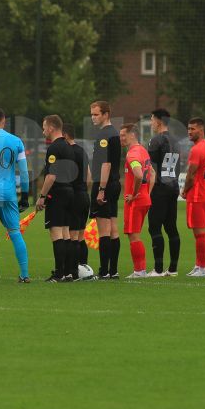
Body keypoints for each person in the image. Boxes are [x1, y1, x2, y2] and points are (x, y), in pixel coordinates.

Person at [0, 107, 32, 283]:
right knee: (15, 232)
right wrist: (25, 195)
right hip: (9, 192)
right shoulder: (16, 141)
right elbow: (24, 172)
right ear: (4, 121)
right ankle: (24, 275)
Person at [35, 115, 78, 282]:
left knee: (56, 234)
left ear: (52, 127)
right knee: (66, 233)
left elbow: (51, 176)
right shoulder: (68, 146)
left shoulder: (54, 148)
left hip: (58, 194)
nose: (43, 130)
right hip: (69, 192)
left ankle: (59, 274)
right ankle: (67, 272)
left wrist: (42, 197)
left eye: (44, 127)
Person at [89, 100, 123, 279]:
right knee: (113, 229)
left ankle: (103, 271)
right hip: (115, 184)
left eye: (96, 114)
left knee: (103, 230)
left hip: (105, 184)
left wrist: (101, 189)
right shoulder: (114, 134)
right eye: (92, 114)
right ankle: (113, 270)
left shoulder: (104, 135)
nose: (93, 117)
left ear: (106, 114)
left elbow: (106, 164)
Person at [146, 108, 182, 276]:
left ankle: (158, 269)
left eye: (152, 120)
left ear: (159, 121)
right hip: (173, 186)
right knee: (171, 228)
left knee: (154, 227)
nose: (151, 123)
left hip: (159, 188)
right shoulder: (176, 141)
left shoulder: (156, 140)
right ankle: (173, 269)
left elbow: (151, 169)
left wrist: (148, 191)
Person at [181, 117, 205, 277]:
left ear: (201, 130)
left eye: (193, 129)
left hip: (197, 194)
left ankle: (202, 268)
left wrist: (184, 190)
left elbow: (191, 174)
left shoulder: (196, 149)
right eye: (188, 129)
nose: (189, 132)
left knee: (200, 232)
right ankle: (199, 266)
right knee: (199, 232)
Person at [120, 123, 154, 278]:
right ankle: (140, 270)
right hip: (145, 199)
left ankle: (139, 271)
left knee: (133, 235)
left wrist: (134, 194)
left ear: (132, 135)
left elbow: (139, 175)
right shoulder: (143, 151)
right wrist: (147, 192)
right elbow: (152, 174)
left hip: (135, 201)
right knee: (135, 234)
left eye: (123, 135)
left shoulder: (132, 154)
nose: (121, 138)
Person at [63, 122, 92, 278]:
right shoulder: (82, 151)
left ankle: (73, 272)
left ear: (66, 135)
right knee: (81, 236)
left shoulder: (68, 152)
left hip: (73, 196)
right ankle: (84, 269)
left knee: (72, 236)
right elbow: (89, 176)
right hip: (84, 196)